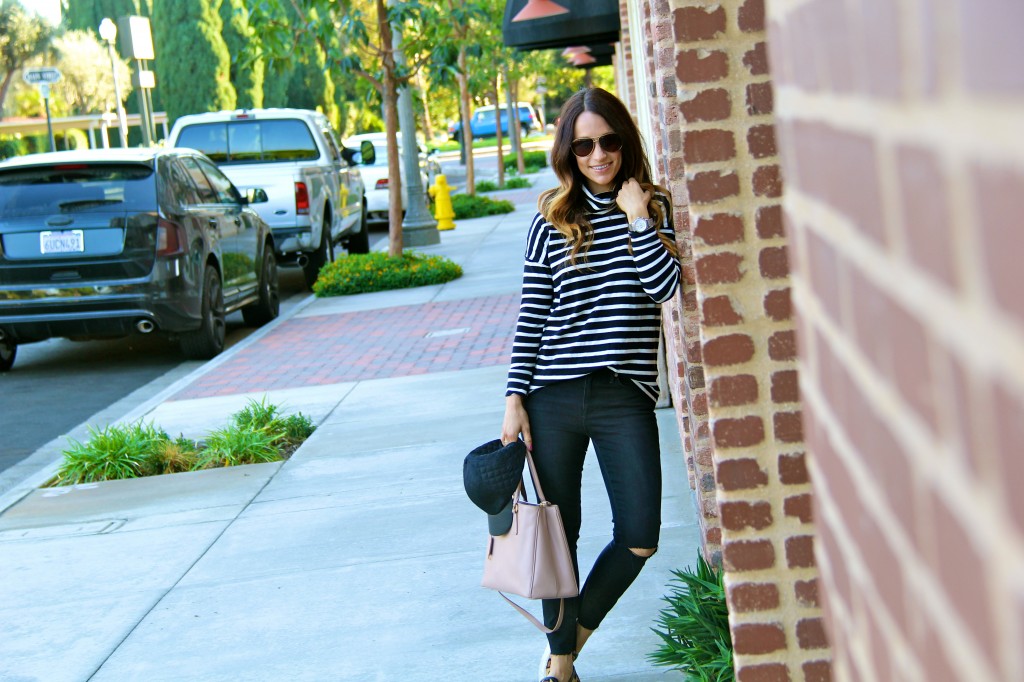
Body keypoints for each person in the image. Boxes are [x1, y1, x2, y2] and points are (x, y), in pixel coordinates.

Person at [500, 87, 681, 682]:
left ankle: (563, 652)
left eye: (607, 141)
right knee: (559, 541)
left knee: (639, 535)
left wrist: (635, 217)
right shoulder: (551, 215)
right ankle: (560, 671)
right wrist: (514, 398)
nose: (598, 154)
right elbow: (533, 314)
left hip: (622, 396)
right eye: (584, 145)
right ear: (568, 152)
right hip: (551, 397)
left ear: (624, 142)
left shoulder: (653, 208)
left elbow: (664, 289)